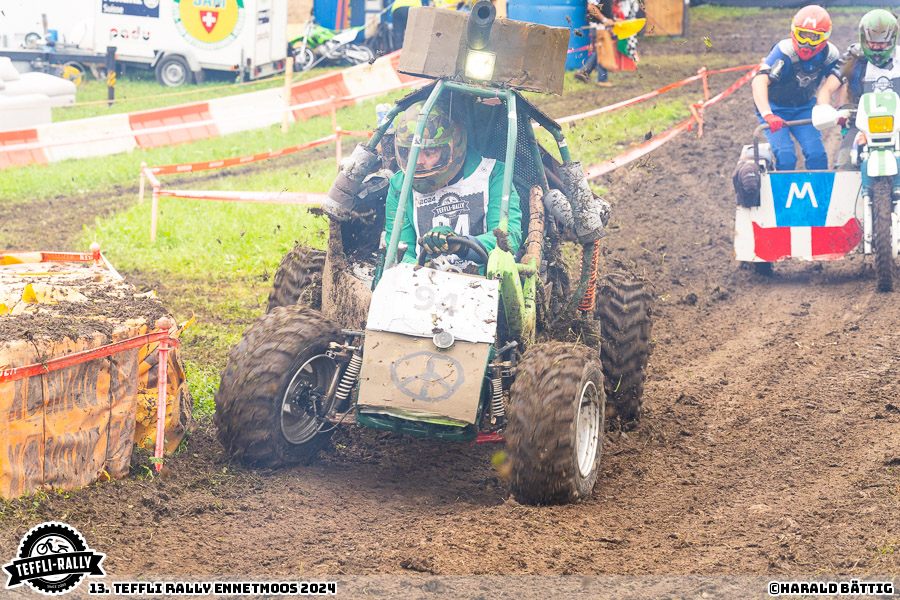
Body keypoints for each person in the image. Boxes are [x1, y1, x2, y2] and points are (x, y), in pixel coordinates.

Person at [384, 99, 522, 270]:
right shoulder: (400, 185)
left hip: (485, 281)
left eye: (429, 152)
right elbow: (398, 250)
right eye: (413, 152)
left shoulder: (493, 174)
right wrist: (424, 271)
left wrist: (462, 245)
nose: (418, 161)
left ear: (453, 147)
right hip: (423, 285)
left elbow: (508, 239)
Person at [751, 4, 840, 171]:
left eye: (813, 37)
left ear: (824, 37)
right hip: (775, 109)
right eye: (802, 35)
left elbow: (839, 79)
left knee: (817, 155)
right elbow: (759, 81)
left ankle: (819, 195)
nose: (806, 42)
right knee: (786, 157)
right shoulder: (784, 51)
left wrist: (840, 107)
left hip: (804, 108)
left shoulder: (830, 54)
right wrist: (767, 114)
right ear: (794, 32)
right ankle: (783, 196)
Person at [814, 9, 900, 170]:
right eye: (871, 42)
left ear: (892, 40)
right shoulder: (854, 58)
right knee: (844, 167)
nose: (876, 47)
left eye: (882, 42)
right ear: (863, 39)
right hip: (860, 126)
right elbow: (826, 89)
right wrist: (825, 109)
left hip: (898, 125)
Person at [574, 0, 641, 87]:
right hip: (598, 26)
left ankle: (584, 72)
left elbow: (603, 9)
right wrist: (604, 20)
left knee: (600, 51)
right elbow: (591, 7)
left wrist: (614, 20)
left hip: (602, 26)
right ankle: (602, 80)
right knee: (603, 51)